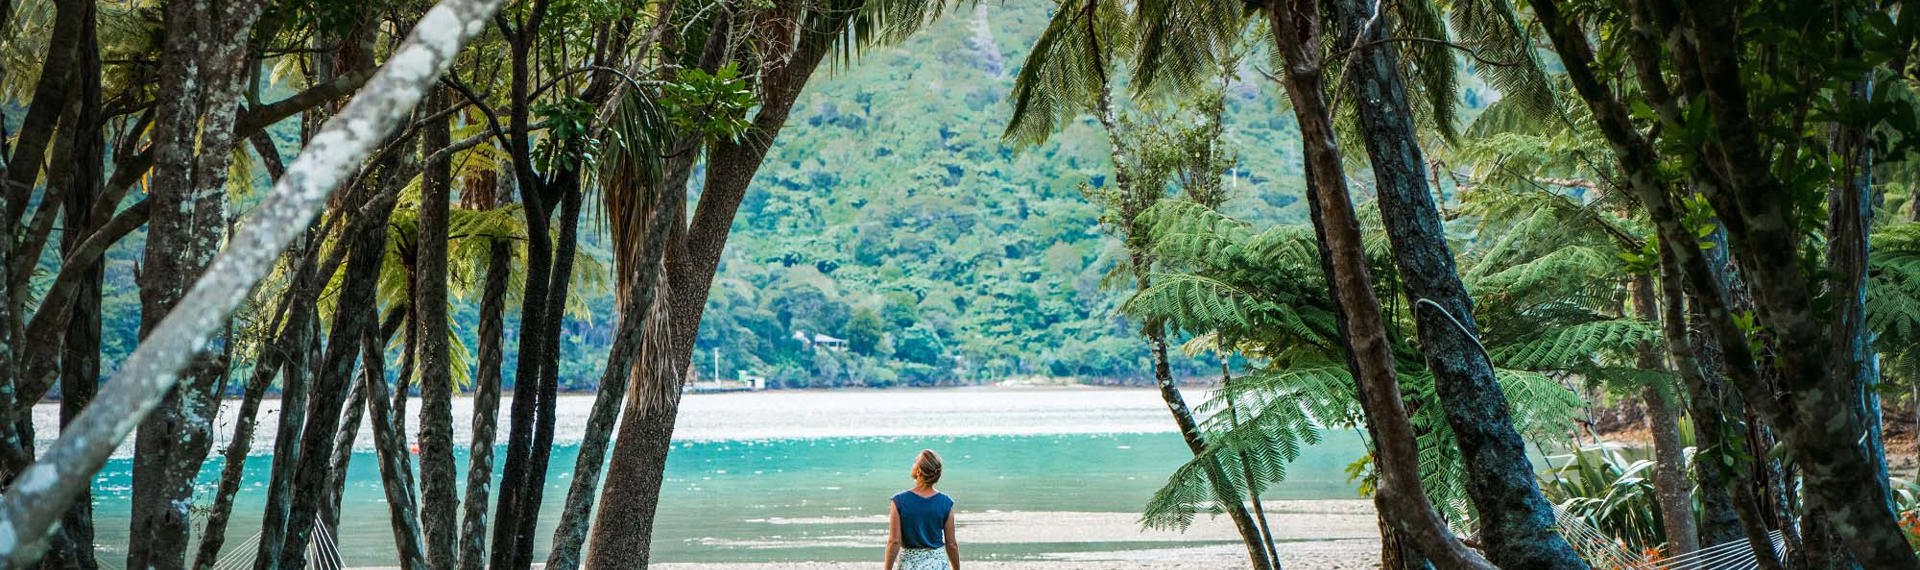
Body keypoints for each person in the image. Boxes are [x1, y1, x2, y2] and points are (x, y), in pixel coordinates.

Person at [885, 449, 959, 570]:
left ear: (919, 471)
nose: (913, 465)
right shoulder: (946, 502)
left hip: (909, 565)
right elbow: (951, 544)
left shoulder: (899, 501)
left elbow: (894, 541)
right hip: (937, 564)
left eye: (915, 462)